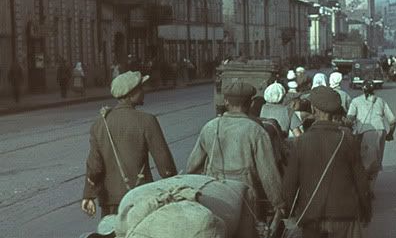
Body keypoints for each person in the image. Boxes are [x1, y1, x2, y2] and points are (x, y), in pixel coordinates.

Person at [283, 86, 371, 238]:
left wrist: (287, 209)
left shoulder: (301, 143)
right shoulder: (348, 139)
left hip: (312, 217)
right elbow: (360, 180)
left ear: (314, 110)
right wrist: (366, 208)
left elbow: (290, 183)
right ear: (335, 112)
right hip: (344, 214)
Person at [81, 70, 177, 218]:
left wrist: (88, 195)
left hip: (110, 201)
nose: (144, 92)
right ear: (132, 93)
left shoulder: (100, 124)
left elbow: (95, 166)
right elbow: (165, 164)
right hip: (139, 198)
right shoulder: (147, 120)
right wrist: (174, 185)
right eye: (141, 88)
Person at [186, 79, 284, 219]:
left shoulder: (210, 127)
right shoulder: (256, 131)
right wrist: (278, 203)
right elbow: (268, 174)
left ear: (226, 102)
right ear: (250, 104)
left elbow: (191, 167)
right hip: (245, 198)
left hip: (215, 195)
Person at [346, 79, 396, 190]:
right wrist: (390, 134)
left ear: (362, 89)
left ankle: (363, 188)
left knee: (363, 160)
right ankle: (371, 188)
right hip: (381, 131)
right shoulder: (381, 101)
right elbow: (392, 120)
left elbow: (349, 119)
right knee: (376, 160)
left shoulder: (355, 101)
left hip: (364, 132)